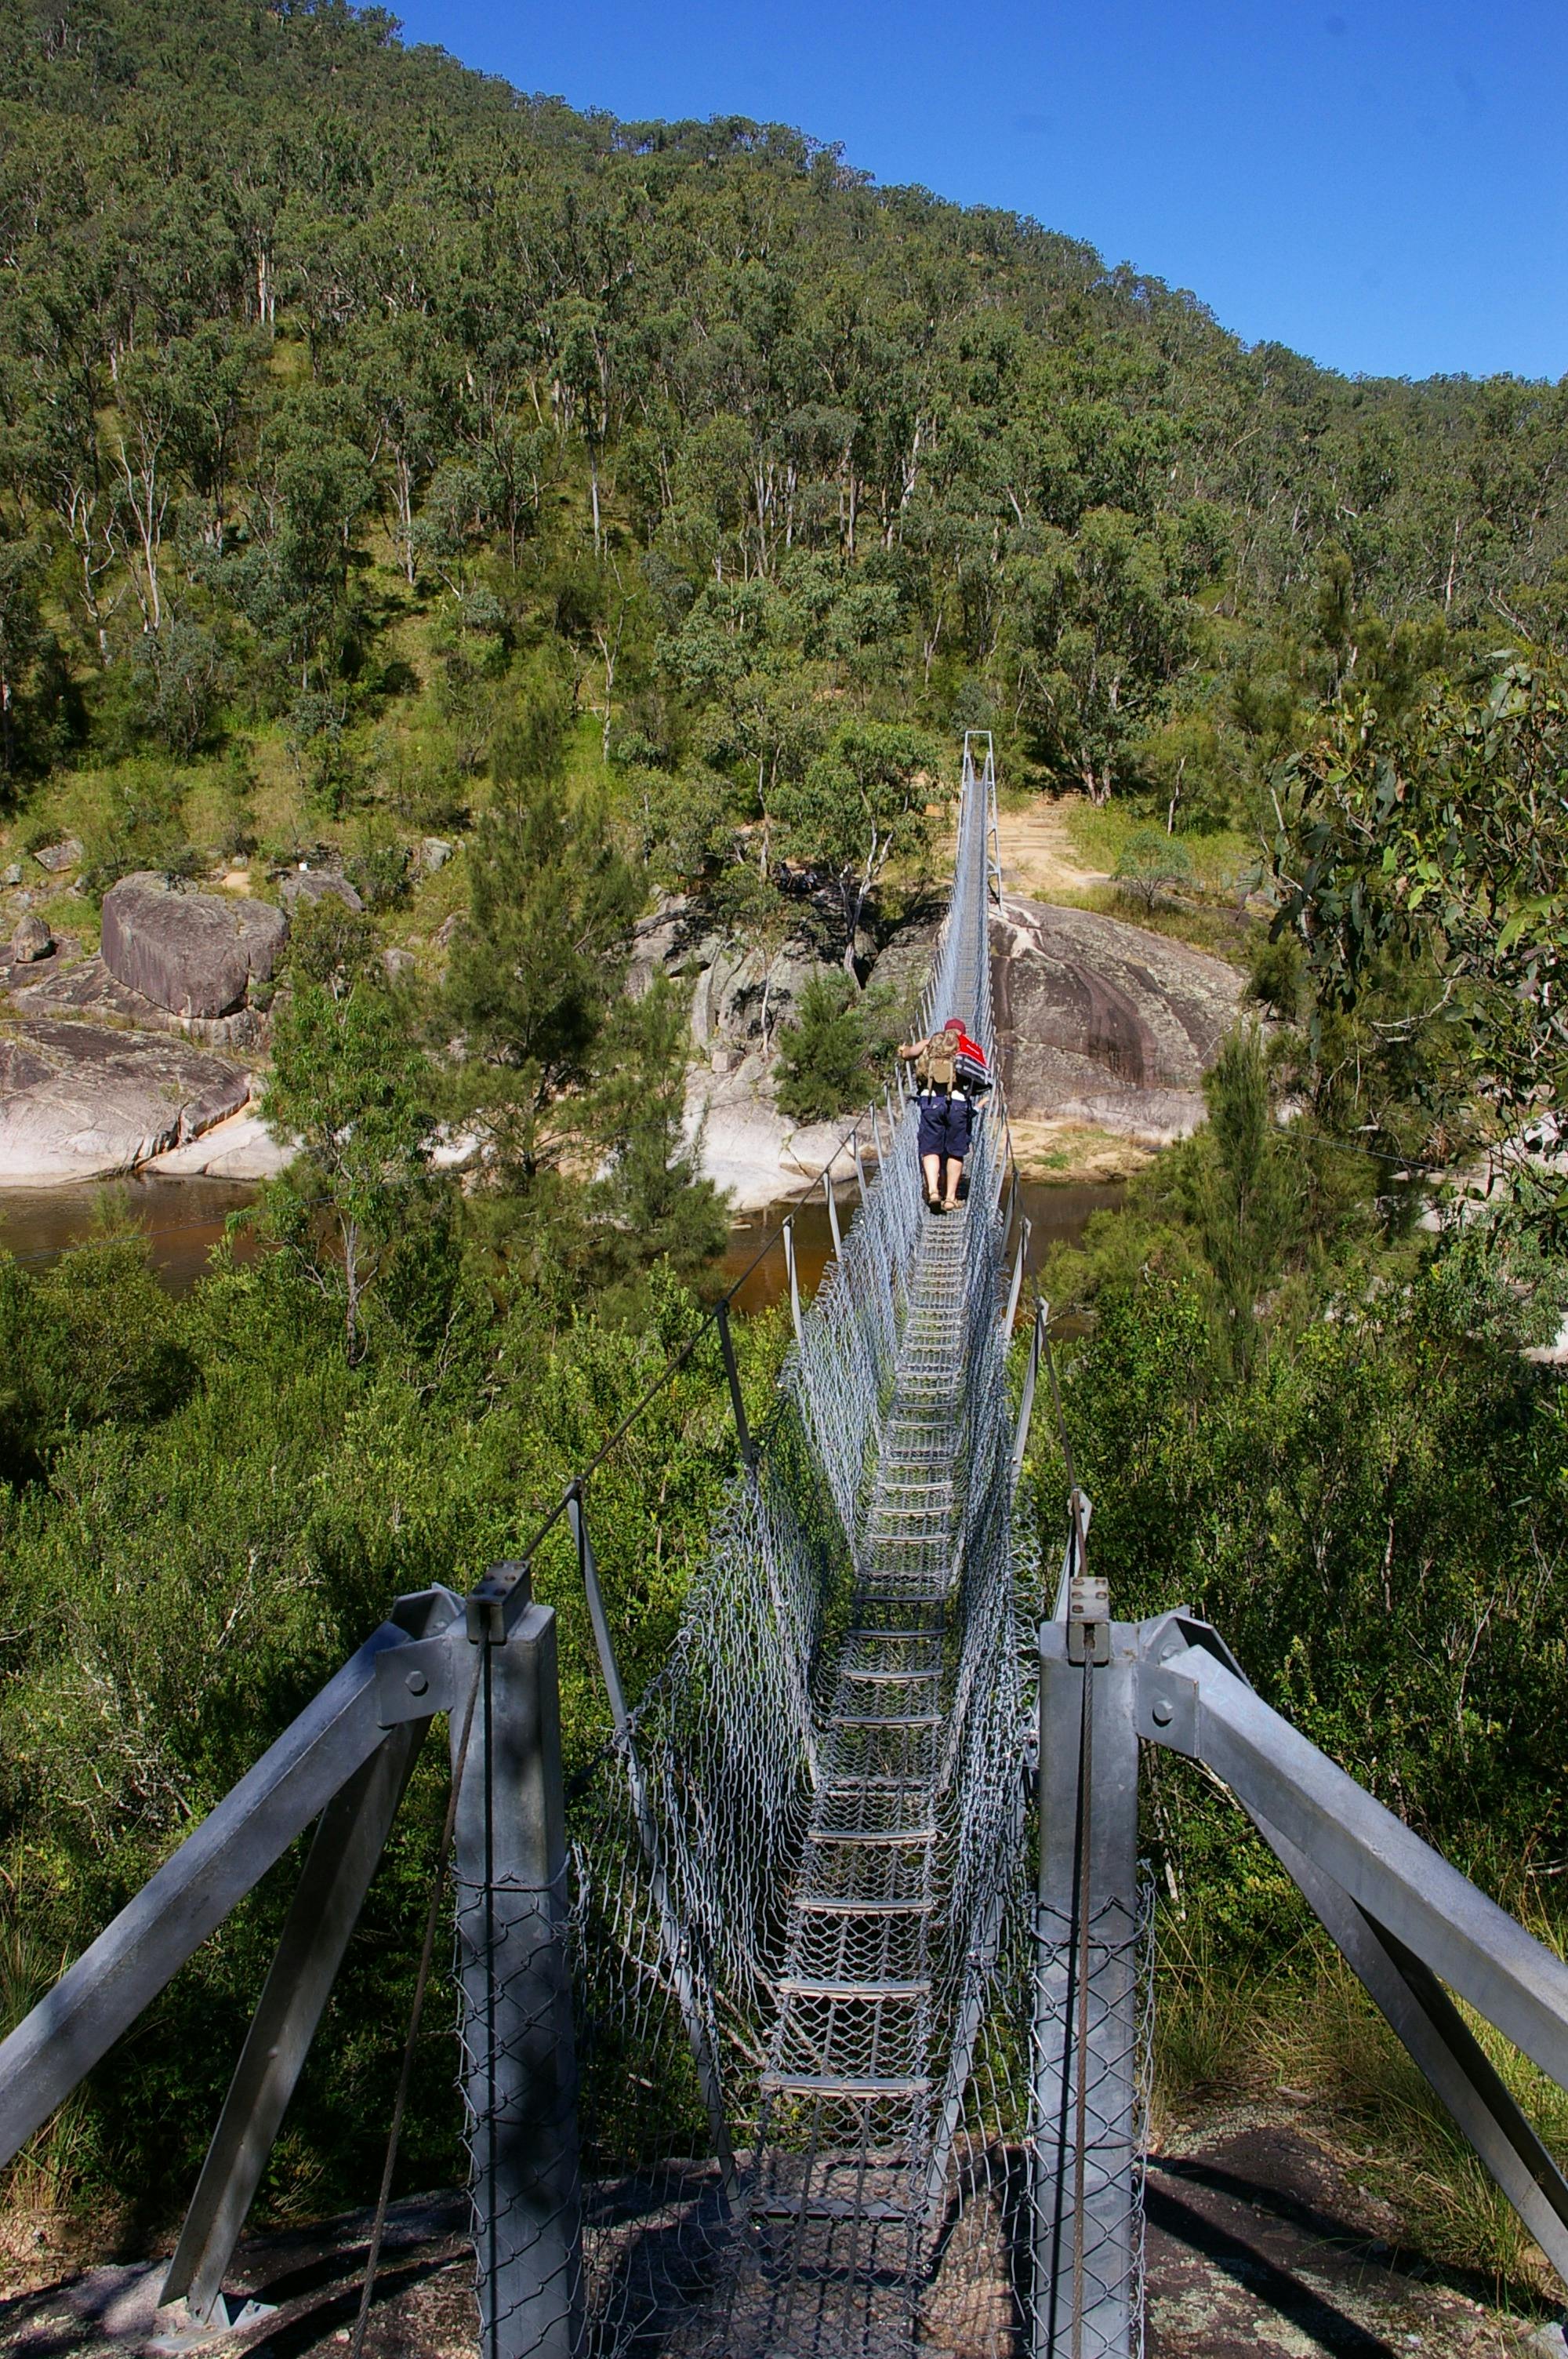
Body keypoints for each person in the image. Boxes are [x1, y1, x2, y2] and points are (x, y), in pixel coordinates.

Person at [898, 1016, 989, 1212]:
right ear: (962, 1033)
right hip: (957, 1105)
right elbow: (983, 1077)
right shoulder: (967, 1047)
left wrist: (903, 1050)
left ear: (945, 1030)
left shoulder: (931, 1042)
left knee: (930, 1149)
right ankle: (950, 1198)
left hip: (930, 1102)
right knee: (956, 1151)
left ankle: (933, 1192)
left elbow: (908, 1054)